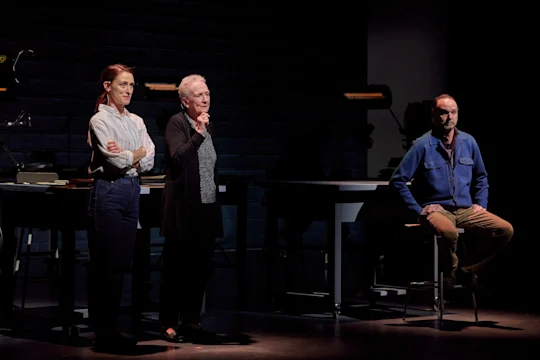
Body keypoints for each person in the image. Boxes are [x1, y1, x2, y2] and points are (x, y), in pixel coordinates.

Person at [389, 94, 513, 288]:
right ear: (434, 115)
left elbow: (481, 176)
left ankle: (467, 269)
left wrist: (481, 204)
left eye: (453, 112)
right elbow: (397, 181)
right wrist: (418, 210)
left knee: (504, 230)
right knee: (449, 233)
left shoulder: (468, 142)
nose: (449, 117)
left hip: (465, 209)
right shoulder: (422, 145)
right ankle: (449, 274)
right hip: (437, 210)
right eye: (444, 113)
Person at [86, 63, 155, 352]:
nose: (128, 90)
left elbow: (150, 160)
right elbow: (114, 162)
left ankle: (111, 328)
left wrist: (131, 155)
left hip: (131, 190)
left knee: (122, 263)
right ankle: (103, 331)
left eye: (131, 85)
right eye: (122, 84)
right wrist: (134, 154)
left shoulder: (137, 121)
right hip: (109, 189)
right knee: (106, 263)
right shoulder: (99, 121)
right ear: (108, 87)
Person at [159, 74, 223, 343]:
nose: (205, 99)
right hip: (183, 209)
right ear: (185, 101)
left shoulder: (208, 125)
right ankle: (169, 322)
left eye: (207, 93)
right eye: (199, 95)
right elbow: (178, 159)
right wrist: (197, 133)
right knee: (177, 267)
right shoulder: (178, 123)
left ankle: (192, 320)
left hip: (206, 205)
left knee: (200, 267)